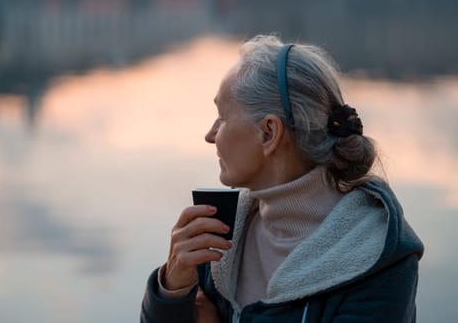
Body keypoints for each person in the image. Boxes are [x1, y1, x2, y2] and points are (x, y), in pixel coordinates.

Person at [140, 35, 424, 322]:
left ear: (269, 133)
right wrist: (171, 290)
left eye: (222, 117)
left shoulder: (374, 257)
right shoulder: (218, 236)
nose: (210, 135)